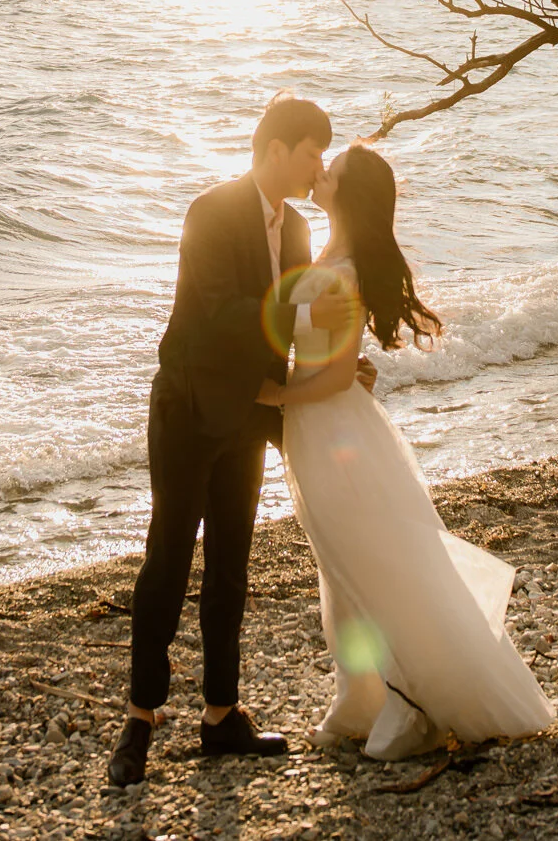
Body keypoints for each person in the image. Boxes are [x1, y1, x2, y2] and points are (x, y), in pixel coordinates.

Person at [109, 94, 371, 786]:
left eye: (324, 156)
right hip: (189, 410)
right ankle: (139, 717)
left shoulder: (297, 231)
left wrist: (342, 362)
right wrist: (302, 316)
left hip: (251, 416)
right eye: (312, 152)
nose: (317, 167)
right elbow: (221, 313)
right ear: (276, 149)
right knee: (168, 560)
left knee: (231, 567)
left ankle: (221, 715)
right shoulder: (211, 211)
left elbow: (295, 332)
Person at [275, 142, 555, 758]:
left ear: (348, 193)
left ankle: (411, 707)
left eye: (331, 170)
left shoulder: (343, 269)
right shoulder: (325, 253)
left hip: (333, 430)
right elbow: (332, 358)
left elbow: (335, 374)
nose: (320, 171)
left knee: (369, 564)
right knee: (342, 566)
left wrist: (271, 392)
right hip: (320, 428)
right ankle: (360, 698)